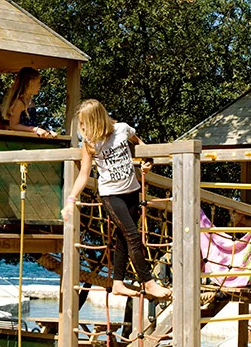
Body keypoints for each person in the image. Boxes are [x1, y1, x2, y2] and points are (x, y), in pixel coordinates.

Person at [61, 99, 171, 299]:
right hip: (111, 195)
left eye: (84, 123)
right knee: (133, 236)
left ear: (96, 120)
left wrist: (148, 161)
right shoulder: (90, 144)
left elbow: (141, 145)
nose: (83, 128)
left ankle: (118, 283)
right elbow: (84, 174)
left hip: (132, 191)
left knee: (123, 238)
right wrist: (71, 199)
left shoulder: (122, 129)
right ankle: (148, 283)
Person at [0, 67, 55, 137]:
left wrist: (45, 132)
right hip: (21, 140)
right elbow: (13, 126)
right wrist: (35, 129)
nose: (39, 86)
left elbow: (32, 124)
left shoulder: (31, 102)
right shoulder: (19, 103)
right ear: (30, 82)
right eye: (38, 83)